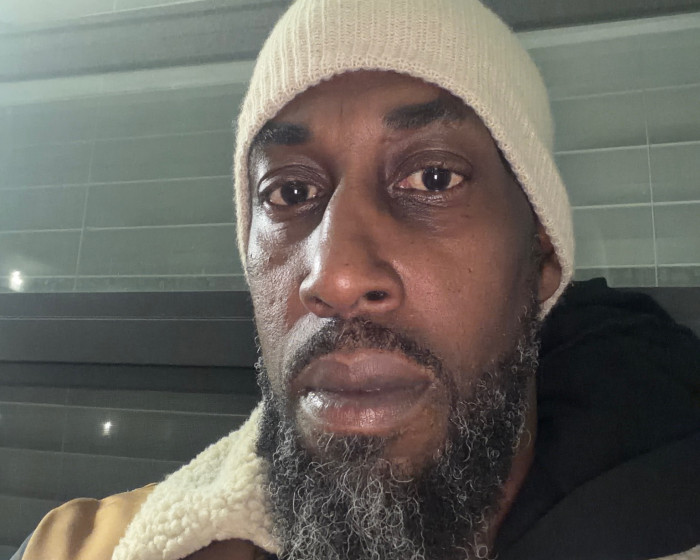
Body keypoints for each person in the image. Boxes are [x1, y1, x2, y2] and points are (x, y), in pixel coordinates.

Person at [14, 0, 700, 559]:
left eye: (434, 178)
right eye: (288, 193)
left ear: (542, 252)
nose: (336, 277)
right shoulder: (81, 548)